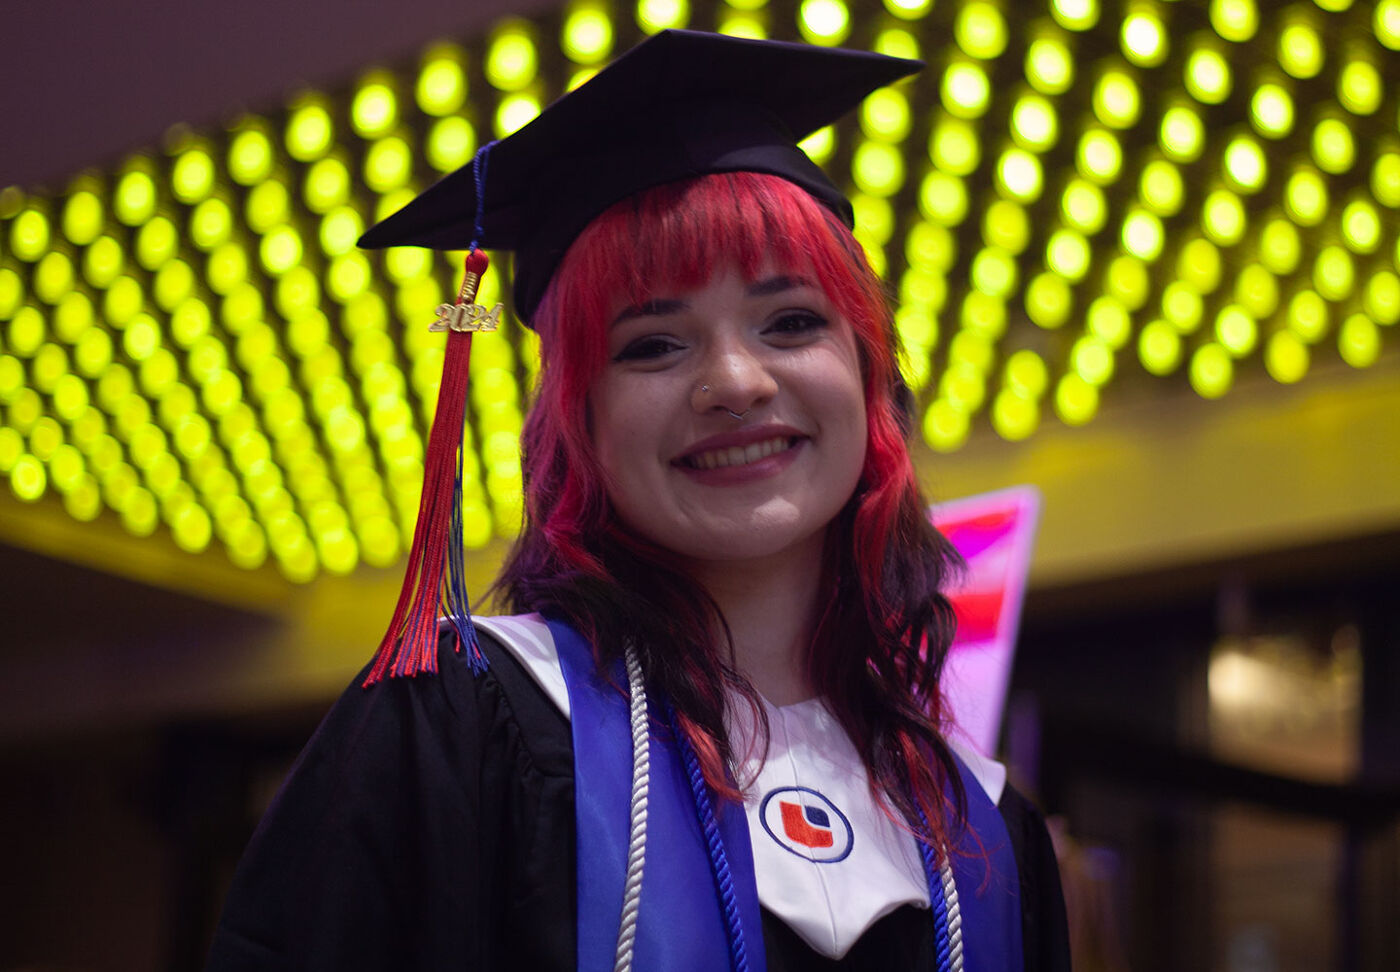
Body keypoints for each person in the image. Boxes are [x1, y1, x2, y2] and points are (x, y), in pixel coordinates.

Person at [207, 30, 1070, 972]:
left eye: (791, 322)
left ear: (868, 375)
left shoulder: (984, 828)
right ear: (576, 416)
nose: (735, 381)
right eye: (653, 344)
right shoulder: (468, 727)